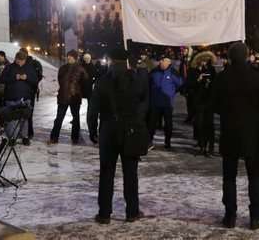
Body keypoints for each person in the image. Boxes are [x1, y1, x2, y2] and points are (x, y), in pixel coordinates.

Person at [212, 42, 259, 230]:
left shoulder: (222, 78)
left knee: (229, 176)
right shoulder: (258, 77)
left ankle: (230, 215)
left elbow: (216, 105)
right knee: (254, 176)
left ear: (229, 57)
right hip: (252, 133)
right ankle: (255, 216)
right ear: (246, 56)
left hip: (229, 131)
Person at [88, 48, 148, 225]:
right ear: (127, 60)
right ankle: (132, 211)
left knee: (106, 173)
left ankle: (104, 213)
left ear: (111, 60)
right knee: (131, 173)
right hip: (130, 131)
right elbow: (144, 104)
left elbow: (93, 110)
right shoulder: (136, 79)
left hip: (108, 131)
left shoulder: (102, 81)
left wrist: (93, 131)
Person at [0, 51, 38, 155]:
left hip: (25, 98)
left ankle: (25, 137)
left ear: (25, 60)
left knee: (24, 119)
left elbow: (35, 80)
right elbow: (2, 79)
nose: (20, 63)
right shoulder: (9, 67)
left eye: (22, 61)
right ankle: (12, 137)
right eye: (18, 61)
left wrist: (27, 78)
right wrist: (15, 77)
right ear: (15, 58)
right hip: (11, 98)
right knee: (11, 119)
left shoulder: (29, 67)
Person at [48, 50, 89, 145]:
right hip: (63, 96)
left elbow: (85, 82)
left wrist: (78, 91)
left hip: (75, 97)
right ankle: (54, 138)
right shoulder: (63, 68)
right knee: (59, 118)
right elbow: (60, 80)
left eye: (70, 56)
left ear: (75, 57)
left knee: (76, 119)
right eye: (68, 56)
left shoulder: (80, 69)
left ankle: (75, 138)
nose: (68, 58)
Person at [149, 57, 183, 150]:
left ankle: (167, 142)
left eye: (163, 62)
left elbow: (180, 84)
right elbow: (148, 83)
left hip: (167, 104)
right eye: (160, 61)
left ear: (168, 64)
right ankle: (149, 142)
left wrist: (172, 93)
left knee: (168, 124)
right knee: (152, 124)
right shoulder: (154, 72)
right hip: (155, 102)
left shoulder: (173, 72)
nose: (160, 63)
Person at [188, 52, 217, 156]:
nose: (204, 62)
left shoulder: (211, 70)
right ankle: (202, 145)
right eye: (203, 60)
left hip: (209, 101)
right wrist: (198, 80)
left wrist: (210, 83)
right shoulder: (193, 70)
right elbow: (189, 84)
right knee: (199, 124)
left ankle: (210, 147)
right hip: (198, 101)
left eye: (206, 60)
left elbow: (216, 84)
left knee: (209, 125)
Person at [20, 47, 43, 138]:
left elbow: (38, 77)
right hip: (20, 90)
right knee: (20, 112)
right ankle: (21, 132)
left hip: (30, 91)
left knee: (28, 112)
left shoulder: (33, 63)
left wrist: (30, 81)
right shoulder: (20, 63)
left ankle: (29, 132)